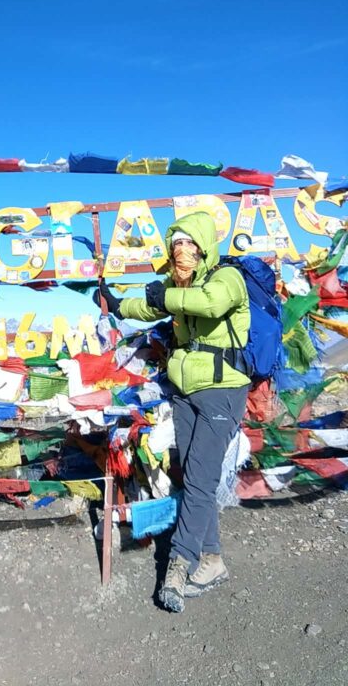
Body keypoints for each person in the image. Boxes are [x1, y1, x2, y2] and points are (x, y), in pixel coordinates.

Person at [95, 211, 250, 613]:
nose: (180, 251)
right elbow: (149, 307)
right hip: (184, 393)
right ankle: (212, 559)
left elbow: (211, 304)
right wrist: (118, 304)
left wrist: (163, 296)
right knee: (195, 477)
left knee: (199, 480)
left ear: (203, 246)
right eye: (175, 244)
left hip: (222, 390)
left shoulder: (226, 278)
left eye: (187, 243)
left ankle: (178, 567)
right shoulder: (177, 285)